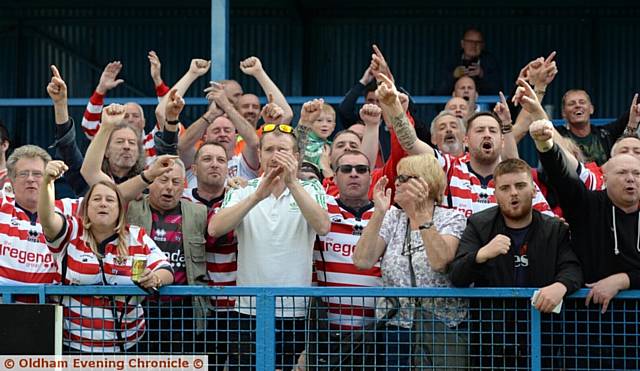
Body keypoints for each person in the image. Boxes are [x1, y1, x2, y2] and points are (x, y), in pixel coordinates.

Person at [519, 76, 640, 369]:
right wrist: (546, 144)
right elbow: (565, 176)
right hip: (588, 331)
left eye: (636, 174)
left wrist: (622, 280)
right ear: (604, 176)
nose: (630, 179)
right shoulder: (587, 205)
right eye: (622, 172)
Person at [210, 123, 329, 370]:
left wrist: (293, 183)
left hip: (294, 310)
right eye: (270, 150)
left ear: (296, 157)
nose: (276, 156)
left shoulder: (311, 188)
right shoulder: (243, 190)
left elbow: (323, 226)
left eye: (283, 150)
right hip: (248, 309)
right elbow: (215, 229)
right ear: (261, 155)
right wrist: (256, 197)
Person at [449, 158, 583, 369]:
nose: (513, 193)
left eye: (520, 186)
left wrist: (561, 286)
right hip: (492, 341)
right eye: (505, 188)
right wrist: (481, 255)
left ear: (533, 190)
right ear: (495, 194)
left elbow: (573, 267)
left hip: (542, 338)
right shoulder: (479, 225)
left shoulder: (554, 229)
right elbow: (456, 275)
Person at [38, 161, 173, 353]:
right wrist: (47, 183)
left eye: (110, 200)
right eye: (97, 199)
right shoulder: (71, 231)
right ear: (86, 207)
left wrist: (155, 278)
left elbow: (166, 269)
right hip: (74, 347)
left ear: (120, 210)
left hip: (127, 347)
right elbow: (47, 220)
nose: (103, 203)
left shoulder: (137, 236)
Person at [374, 73, 551, 218]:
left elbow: (549, 222)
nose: (487, 134)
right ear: (465, 140)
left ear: (503, 140)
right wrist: (395, 108)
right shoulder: (450, 166)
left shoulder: (517, 179)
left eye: (493, 130)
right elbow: (411, 143)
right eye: (480, 130)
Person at [352, 153, 467, 369]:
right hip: (395, 330)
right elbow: (362, 260)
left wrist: (422, 215)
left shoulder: (452, 218)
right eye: (398, 178)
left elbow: (440, 262)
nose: (398, 183)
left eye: (406, 178)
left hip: (440, 329)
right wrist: (378, 212)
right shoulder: (393, 217)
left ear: (429, 183)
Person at [305, 150, 382, 369]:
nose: (354, 174)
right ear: (335, 176)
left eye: (361, 169)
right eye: (346, 169)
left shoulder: (387, 213)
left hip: (376, 331)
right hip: (328, 333)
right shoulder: (322, 208)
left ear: (370, 175)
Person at [182, 141, 237, 369]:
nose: (214, 164)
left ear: (228, 168)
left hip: (235, 305)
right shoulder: (180, 199)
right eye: (207, 159)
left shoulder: (240, 199)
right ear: (194, 169)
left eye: (221, 160)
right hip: (193, 304)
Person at [555, 89, 637, 165]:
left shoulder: (606, 134)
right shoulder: (558, 135)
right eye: (571, 103)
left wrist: (633, 119)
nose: (577, 105)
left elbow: (627, 118)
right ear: (563, 113)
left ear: (591, 109)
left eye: (582, 102)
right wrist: (541, 87)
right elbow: (542, 122)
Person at [437, 27, 502, 95]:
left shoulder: (490, 62)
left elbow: (498, 92)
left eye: (478, 42)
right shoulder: (452, 60)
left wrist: (482, 74)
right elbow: (438, 91)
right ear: (462, 43)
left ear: (482, 45)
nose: (474, 45)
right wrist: (453, 75)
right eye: (470, 42)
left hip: (482, 104)